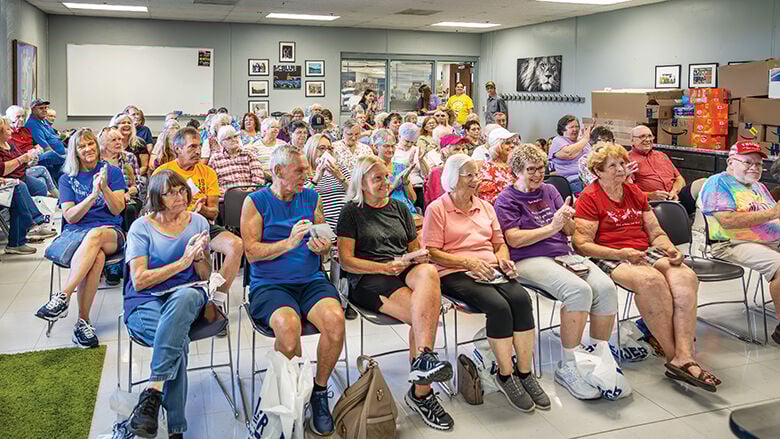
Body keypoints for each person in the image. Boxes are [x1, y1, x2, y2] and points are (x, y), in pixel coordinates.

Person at [573, 142, 721, 392]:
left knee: (685, 276)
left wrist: (669, 248)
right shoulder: (589, 197)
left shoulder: (635, 192)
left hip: (642, 250)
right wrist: (620, 253)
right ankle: (677, 358)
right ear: (598, 172)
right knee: (650, 281)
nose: (621, 169)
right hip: (609, 253)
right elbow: (582, 244)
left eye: (622, 163)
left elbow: (655, 231)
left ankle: (685, 355)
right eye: (613, 166)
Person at [424, 153, 550, 411]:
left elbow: (499, 244)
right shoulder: (437, 208)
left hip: (490, 268)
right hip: (453, 271)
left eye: (476, 174)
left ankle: (524, 372)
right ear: (452, 178)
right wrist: (468, 263)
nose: (475, 179)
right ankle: (506, 375)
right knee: (498, 306)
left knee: (521, 299)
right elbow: (432, 252)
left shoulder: (485, 206)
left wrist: (503, 261)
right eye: (468, 175)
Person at [336, 155, 455, 431]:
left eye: (387, 177)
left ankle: (424, 358)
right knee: (423, 315)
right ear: (362, 183)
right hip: (370, 277)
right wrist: (384, 266)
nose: (385, 183)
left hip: (401, 268)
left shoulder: (400, 209)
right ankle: (421, 394)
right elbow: (346, 261)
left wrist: (416, 257)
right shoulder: (352, 212)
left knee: (428, 272)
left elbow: (413, 248)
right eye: (377, 178)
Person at [495, 144, 618, 400]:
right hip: (527, 258)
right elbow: (514, 240)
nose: (538, 175)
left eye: (541, 168)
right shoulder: (507, 199)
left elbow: (570, 231)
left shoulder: (550, 190)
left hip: (562, 253)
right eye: (531, 170)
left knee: (606, 288)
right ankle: (569, 364)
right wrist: (552, 227)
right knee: (578, 290)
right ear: (516, 171)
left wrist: (566, 218)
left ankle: (597, 358)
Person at [240, 144, 345, 436]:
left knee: (336, 321)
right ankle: (290, 395)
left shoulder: (311, 197)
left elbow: (324, 240)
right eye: (299, 170)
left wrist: (322, 248)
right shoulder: (255, 202)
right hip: (269, 284)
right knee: (288, 327)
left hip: (310, 280)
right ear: (277, 171)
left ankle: (319, 392)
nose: (307, 175)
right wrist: (287, 243)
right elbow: (251, 252)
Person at [123, 170, 212, 438]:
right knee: (177, 342)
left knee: (186, 297)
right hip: (146, 297)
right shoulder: (141, 227)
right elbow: (139, 281)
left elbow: (205, 275)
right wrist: (182, 262)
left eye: (182, 190)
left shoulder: (198, 223)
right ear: (156, 197)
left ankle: (152, 393)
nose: (179, 197)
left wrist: (197, 259)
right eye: (170, 192)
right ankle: (176, 429)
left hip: (186, 293)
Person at [34, 128, 127, 348]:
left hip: (110, 232)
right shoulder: (67, 179)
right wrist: (92, 196)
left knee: (95, 236)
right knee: (96, 259)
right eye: (82, 146)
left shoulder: (112, 173)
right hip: (78, 234)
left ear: (97, 145)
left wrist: (103, 188)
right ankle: (82, 323)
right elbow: (70, 216)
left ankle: (63, 296)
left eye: (91, 144)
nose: (88, 149)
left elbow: (117, 210)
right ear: (74, 151)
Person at [700, 141, 780, 345]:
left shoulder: (759, 186)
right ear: (731, 161)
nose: (754, 168)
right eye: (748, 162)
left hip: (769, 241)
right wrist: (772, 213)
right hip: (730, 243)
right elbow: (728, 221)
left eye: (758, 164)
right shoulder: (718, 183)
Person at [154, 127, 243, 300]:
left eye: (199, 146)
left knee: (236, 245)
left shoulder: (207, 172)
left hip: (202, 225)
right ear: (177, 149)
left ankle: (217, 297)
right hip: (171, 227)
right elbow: (155, 210)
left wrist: (201, 210)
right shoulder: (163, 172)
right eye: (192, 147)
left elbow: (214, 212)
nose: (198, 151)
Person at [304, 134, 350, 233]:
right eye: (322, 148)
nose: (326, 152)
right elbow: (301, 198)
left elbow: (356, 193)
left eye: (329, 148)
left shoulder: (340, 169)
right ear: (311, 149)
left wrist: (339, 176)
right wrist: (317, 178)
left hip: (346, 221)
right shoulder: (304, 172)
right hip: (320, 224)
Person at [99, 126, 141, 233]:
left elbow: (139, 184)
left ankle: (130, 239)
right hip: (105, 197)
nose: (118, 143)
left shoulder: (129, 157)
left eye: (120, 139)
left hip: (129, 198)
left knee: (129, 209)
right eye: (113, 140)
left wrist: (127, 193)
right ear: (104, 143)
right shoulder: (98, 161)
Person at [628, 125, 686, 201]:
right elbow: (627, 192)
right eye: (642, 136)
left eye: (650, 136)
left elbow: (679, 179)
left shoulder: (662, 155)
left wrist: (674, 192)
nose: (648, 140)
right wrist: (650, 195)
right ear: (632, 140)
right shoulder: (627, 160)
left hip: (676, 196)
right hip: (651, 203)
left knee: (700, 184)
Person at [374, 129, 419, 224]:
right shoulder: (372, 169)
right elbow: (374, 199)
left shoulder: (401, 167)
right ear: (376, 147)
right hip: (385, 214)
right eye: (386, 146)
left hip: (407, 211)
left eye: (393, 146)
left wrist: (406, 183)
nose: (390, 150)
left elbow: (413, 200)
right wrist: (394, 183)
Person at [208, 125, 264, 196]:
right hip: (227, 198)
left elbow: (258, 178)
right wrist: (229, 194)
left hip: (250, 196)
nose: (234, 139)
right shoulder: (215, 159)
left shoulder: (249, 154)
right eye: (229, 138)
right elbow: (211, 183)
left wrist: (249, 192)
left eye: (235, 136)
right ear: (221, 143)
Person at [24, 99, 66, 183]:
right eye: (41, 108)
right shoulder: (32, 124)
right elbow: (45, 147)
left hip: (59, 152)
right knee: (74, 158)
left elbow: (53, 136)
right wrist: (65, 156)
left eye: (46, 108)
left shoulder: (44, 121)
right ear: (33, 110)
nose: (44, 110)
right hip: (50, 155)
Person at [549, 115, 591, 195]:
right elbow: (569, 153)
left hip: (589, 177)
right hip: (572, 180)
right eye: (571, 127)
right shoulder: (558, 140)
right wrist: (585, 139)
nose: (575, 129)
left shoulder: (583, 142)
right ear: (562, 130)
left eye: (577, 126)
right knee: (588, 195)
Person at [424, 135, 469, 209]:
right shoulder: (437, 172)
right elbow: (436, 199)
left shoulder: (466, 170)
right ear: (445, 151)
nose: (461, 152)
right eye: (457, 149)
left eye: (463, 149)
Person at [478, 127, 518, 203]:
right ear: (497, 146)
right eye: (507, 143)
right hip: (503, 209)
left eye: (513, 142)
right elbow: (487, 197)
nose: (512, 145)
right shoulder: (488, 168)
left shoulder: (516, 165)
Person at [110, 113, 150, 179]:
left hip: (136, 176)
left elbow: (144, 167)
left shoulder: (140, 143)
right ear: (115, 127)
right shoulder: (109, 143)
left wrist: (131, 176)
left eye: (129, 123)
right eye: (123, 123)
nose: (127, 125)